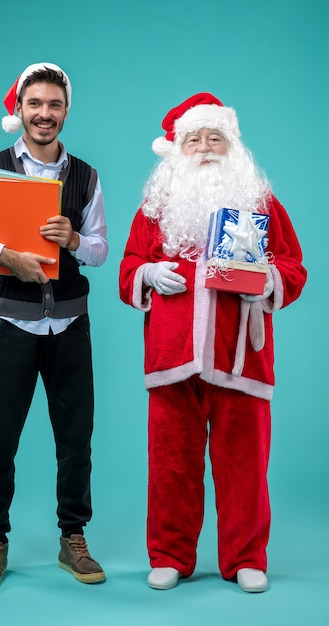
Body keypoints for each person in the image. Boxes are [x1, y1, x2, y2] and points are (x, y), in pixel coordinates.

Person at [119, 93, 306, 593]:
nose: (205, 148)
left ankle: (247, 558)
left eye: (215, 137)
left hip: (241, 356)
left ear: (233, 146)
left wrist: (268, 279)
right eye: (194, 138)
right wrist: (148, 272)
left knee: (244, 464)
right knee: (171, 464)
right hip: (171, 354)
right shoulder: (156, 209)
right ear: (177, 148)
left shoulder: (261, 203)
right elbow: (128, 267)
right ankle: (170, 555)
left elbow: (293, 265)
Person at [0, 62, 108, 591]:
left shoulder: (86, 176)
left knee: (76, 441)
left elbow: (100, 252)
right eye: (36, 104)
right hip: (10, 325)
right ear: (20, 110)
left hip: (71, 328)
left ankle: (72, 538)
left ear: (66, 111)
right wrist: (6, 255)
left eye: (55, 104)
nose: (45, 114)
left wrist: (75, 241)